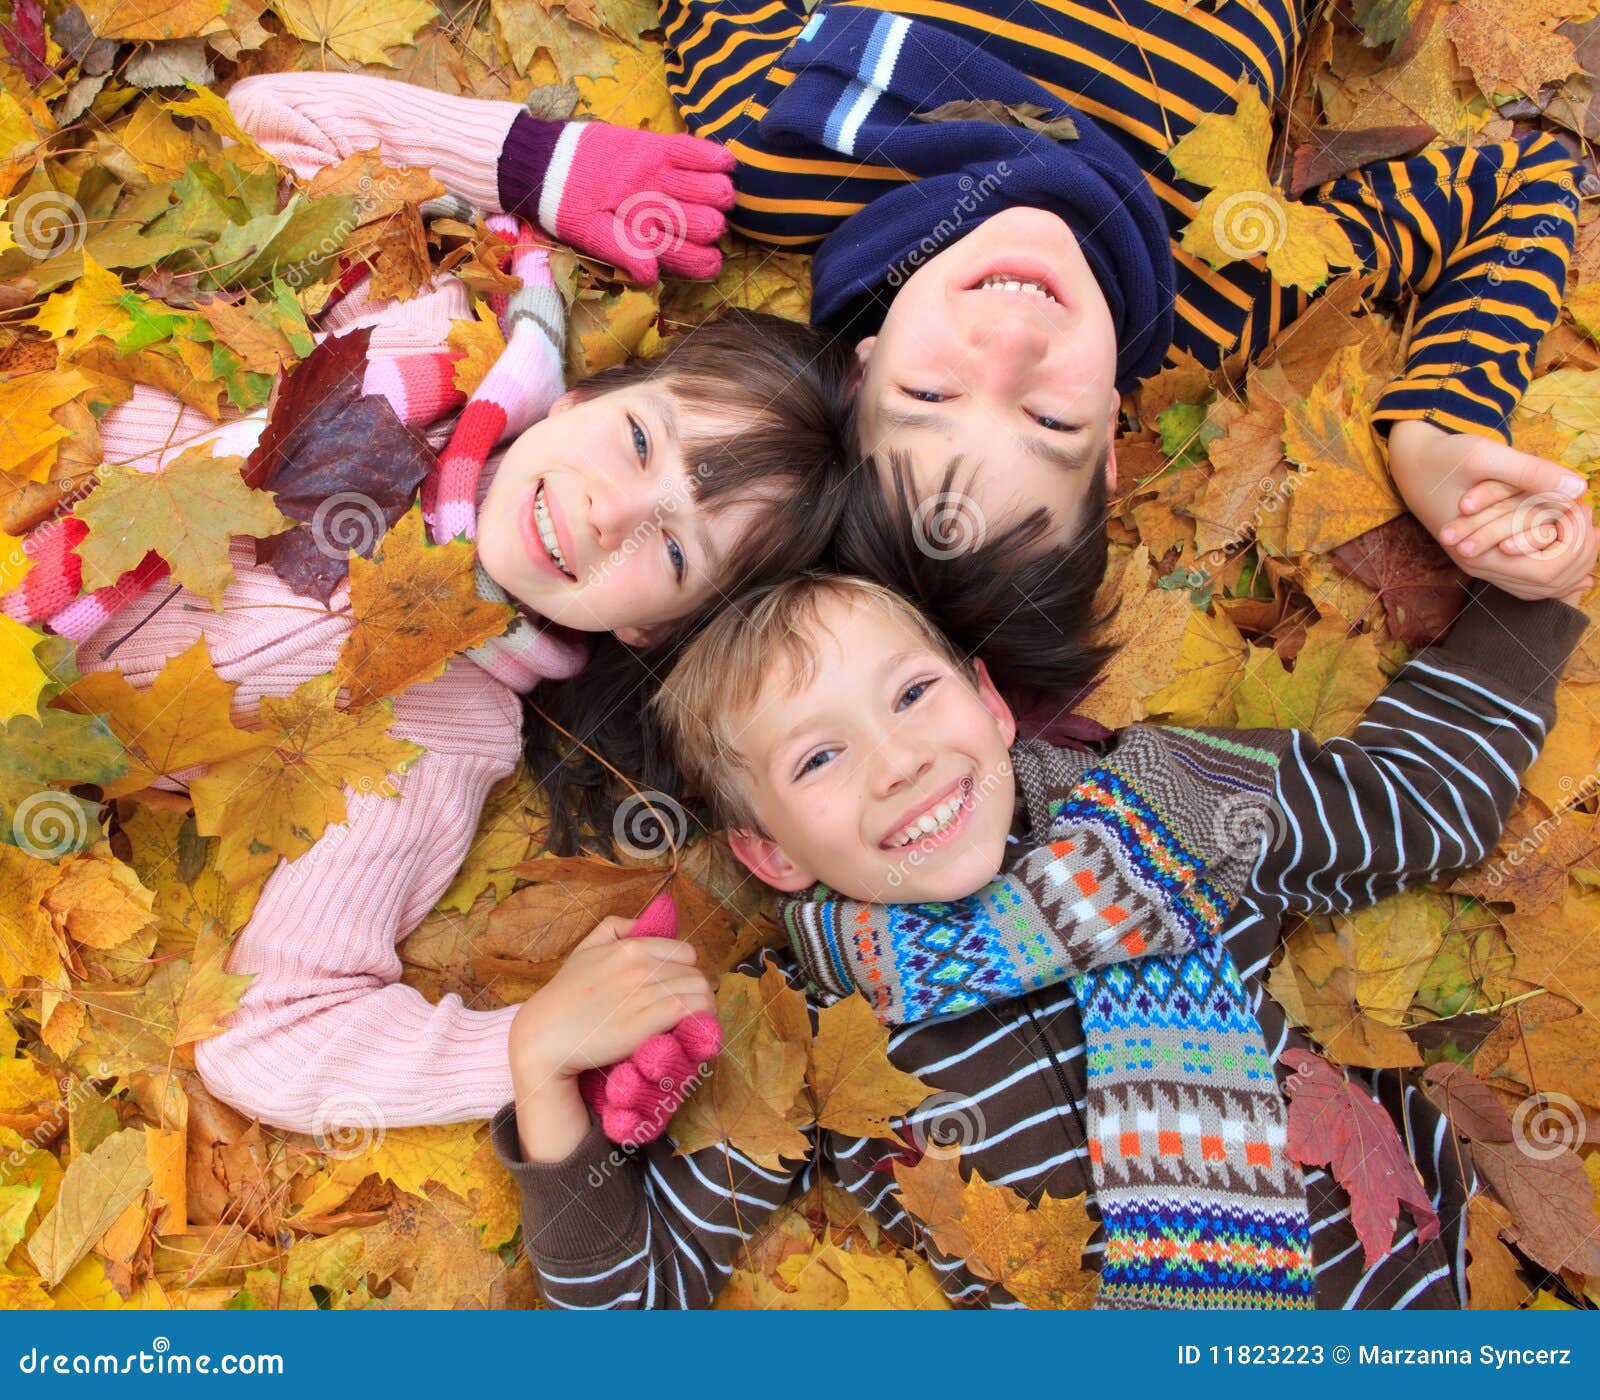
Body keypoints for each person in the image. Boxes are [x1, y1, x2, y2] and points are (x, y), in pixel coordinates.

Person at [2, 73, 855, 1133]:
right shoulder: (415, 331)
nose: (609, 511)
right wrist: (540, 162)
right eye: (640, 442)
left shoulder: (436, 725)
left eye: (675, 547)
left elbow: (272, 1032)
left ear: (650, 627)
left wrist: (520, 1046)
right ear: (586, 394)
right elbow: (278, 116)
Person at [491, 566, 1591, 1308]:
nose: (900, 760)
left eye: (913, 693)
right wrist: (542, 1078)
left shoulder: (1174, 798)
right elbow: (633, 1306)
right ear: (770, 853)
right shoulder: (800, 1023)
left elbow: (1419, 803)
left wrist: (1530, 601)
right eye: (816, 759)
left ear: (989, 703)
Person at [657, 0, 1593, 682]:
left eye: (931, 398)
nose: (1012, 344)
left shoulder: (788, 159)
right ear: (1110, 437)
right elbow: (1525, 181)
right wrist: (1435, 431)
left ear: (861, 373)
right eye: (1048, 418)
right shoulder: (1220, 293)